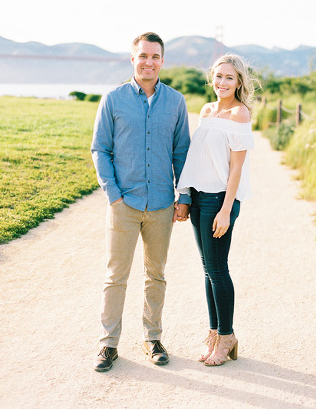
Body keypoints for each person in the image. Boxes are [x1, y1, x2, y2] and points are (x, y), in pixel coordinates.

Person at [90, 32, 191, 372]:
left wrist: (184, 196)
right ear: (132, 59)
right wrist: (113, 194)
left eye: (155, 56)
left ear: (162, 61)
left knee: (156, 274)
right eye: (143, 55)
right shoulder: (113, 99)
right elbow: (100, 149)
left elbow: (181, 152)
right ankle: (108, 344)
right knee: (116, 275)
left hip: (162, 204)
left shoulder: (176, 102)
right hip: (124, 205)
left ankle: (152, 338)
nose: (149, 61)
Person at [176, 54, 257, 366]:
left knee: (218, 269)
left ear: (239, 83)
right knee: (208, 270)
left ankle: (227, 337)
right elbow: (196, 158)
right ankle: (214, 332)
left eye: (229, 78)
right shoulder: (207, 110)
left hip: (219, 201)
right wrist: (184, 195)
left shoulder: (240, 114)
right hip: (198, 198)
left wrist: (226, 210)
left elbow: (236, 169)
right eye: (219, 76)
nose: (223, 83)